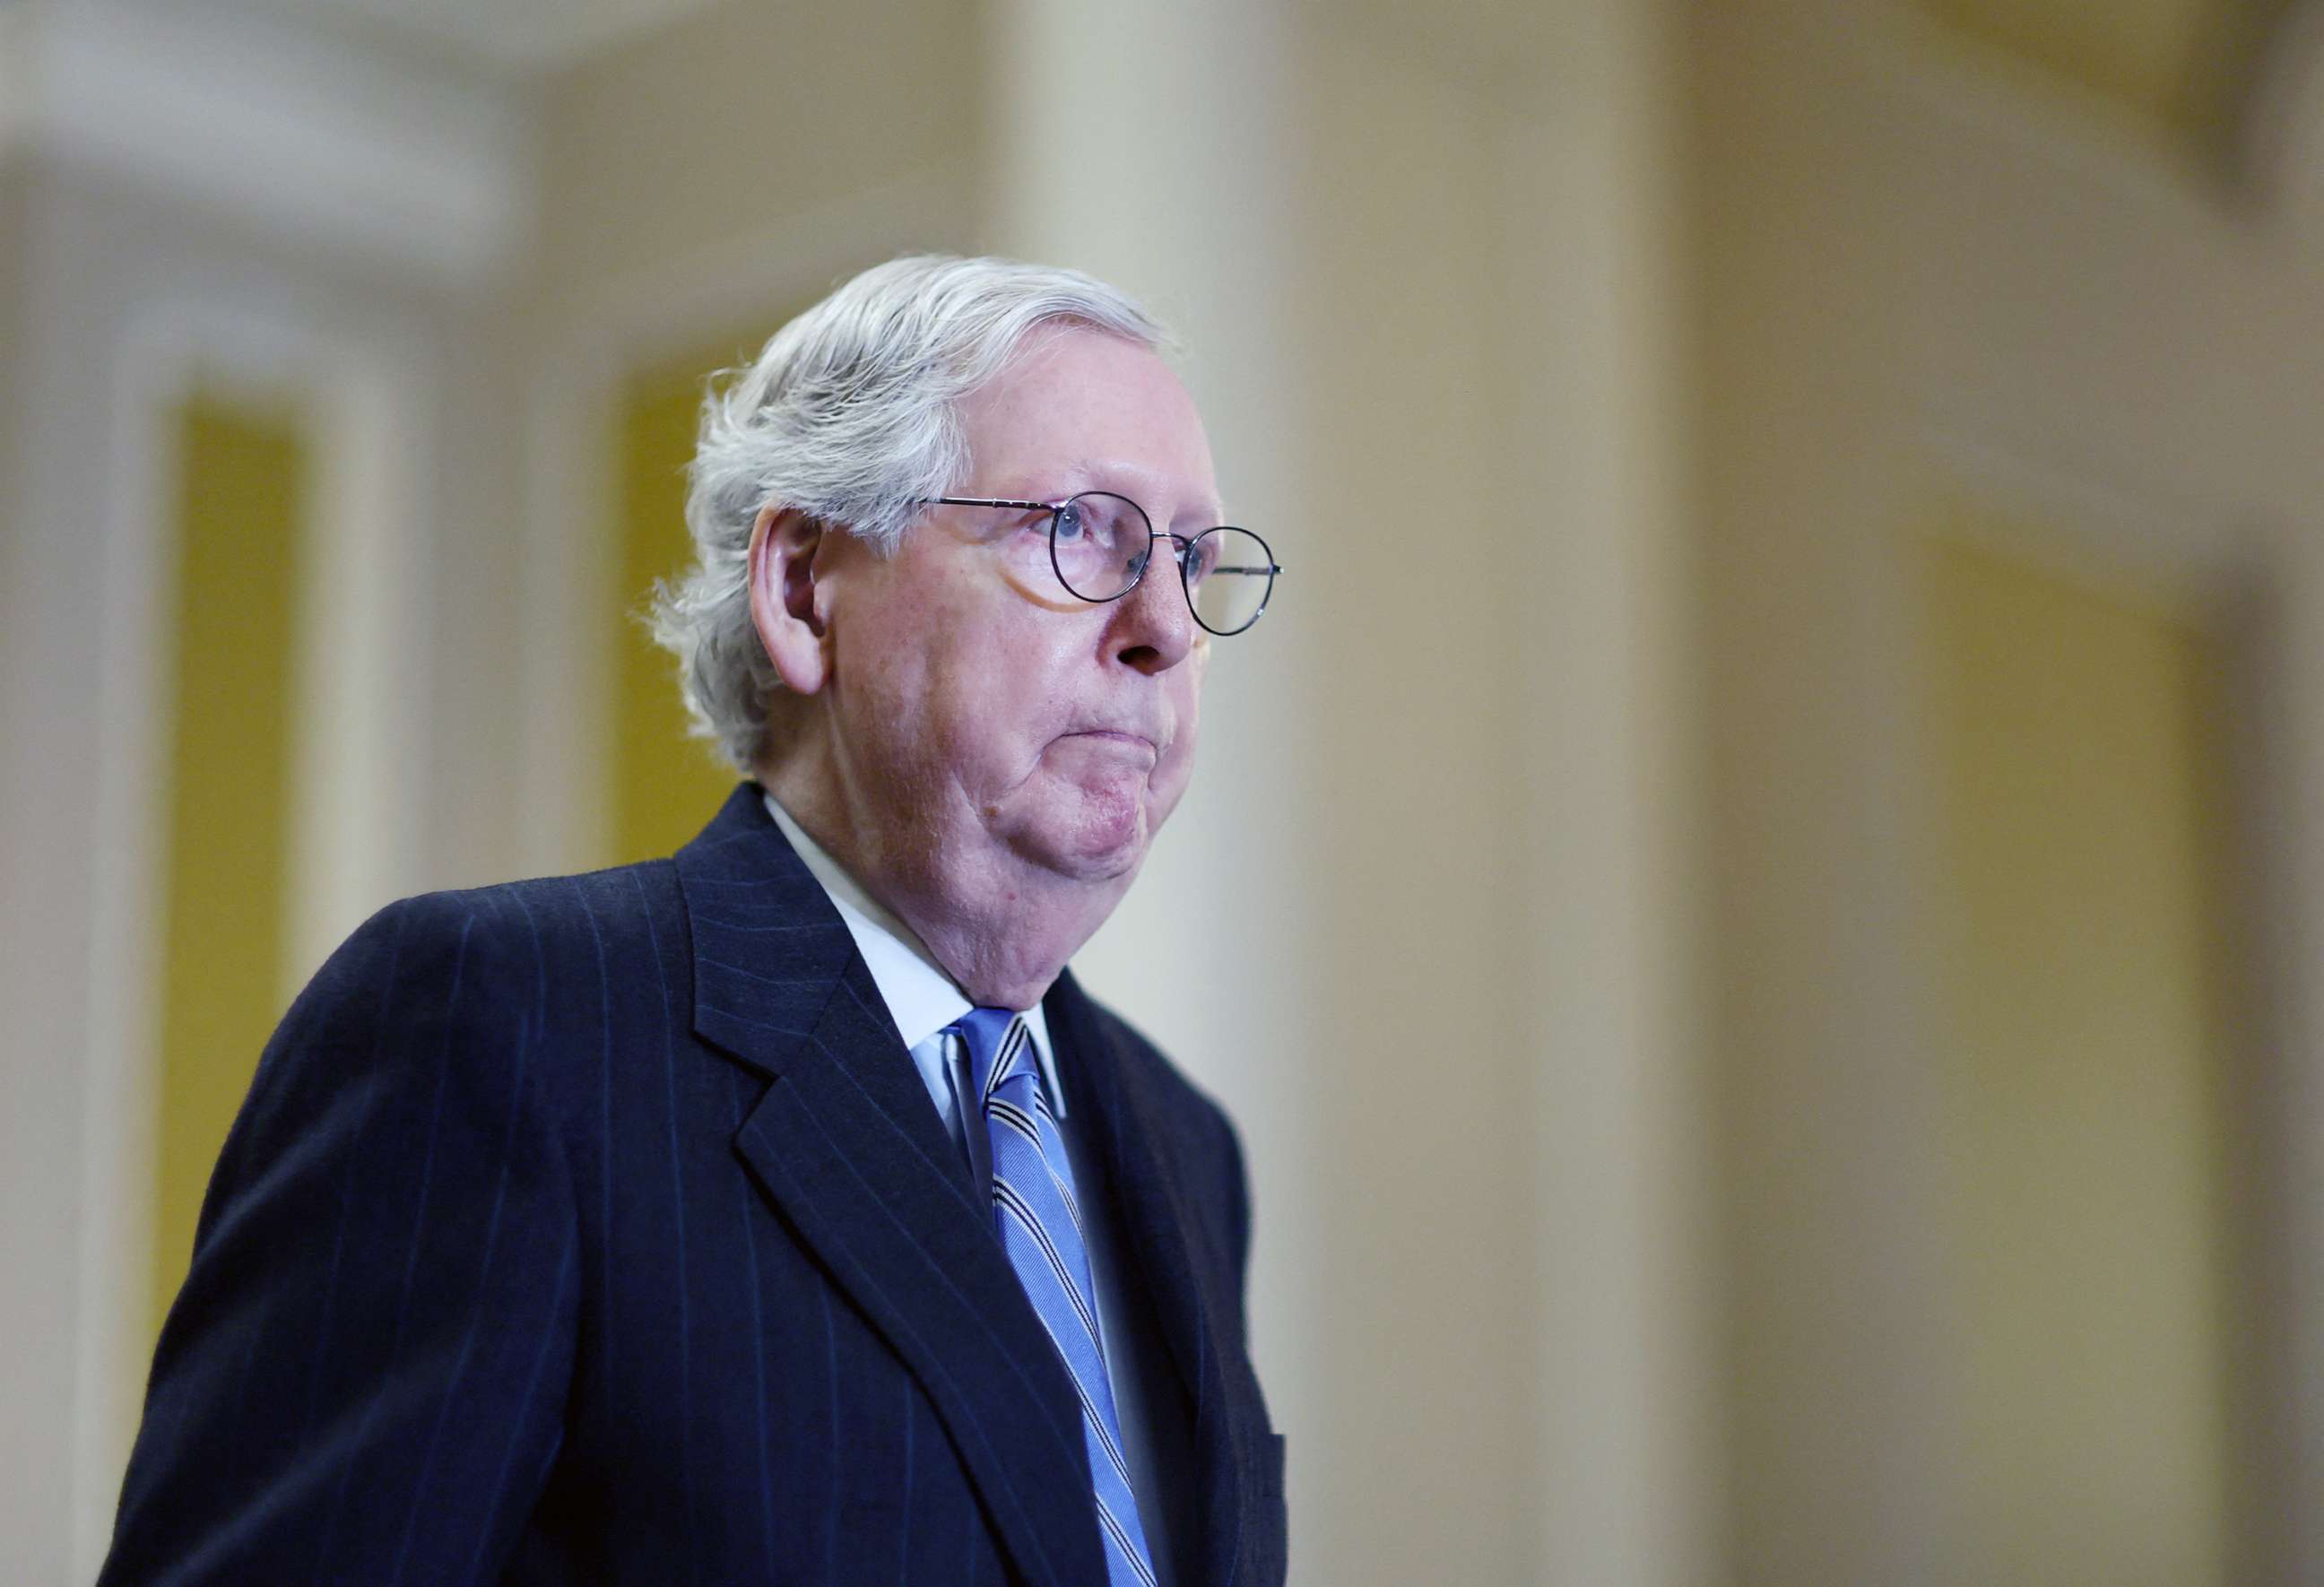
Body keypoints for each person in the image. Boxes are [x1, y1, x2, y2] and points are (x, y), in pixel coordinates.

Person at [99, 256, 1287, 1586]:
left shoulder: (1185, 1146)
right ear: (800, 586)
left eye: (1189, 558)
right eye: (1081, 530)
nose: (1166, 627)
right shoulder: (498, 1028)